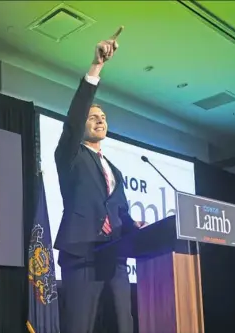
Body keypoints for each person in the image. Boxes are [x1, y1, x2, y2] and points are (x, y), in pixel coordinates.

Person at [54, 28, 146, 333]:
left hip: (115, 257)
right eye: (93, 116)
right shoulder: (69, 155)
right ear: (81, 125)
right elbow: (74, 116)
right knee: (79, 327)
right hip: (81, 254)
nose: (100, 120)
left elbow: (121, 215)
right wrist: (96, 67)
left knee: (124, 325)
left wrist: (136, 228)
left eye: (103, 116)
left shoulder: (116, 172)